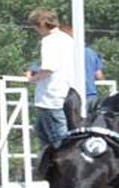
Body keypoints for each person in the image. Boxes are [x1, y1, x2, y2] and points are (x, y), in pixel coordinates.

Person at [27, 8, 78, 149]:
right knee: (43, 132)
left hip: (50, 97)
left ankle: (63, 168)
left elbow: (49, 68)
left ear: (42, 24)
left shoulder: (49, 41)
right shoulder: (68, 39)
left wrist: (33, 78)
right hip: (66, 92)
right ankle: (49, 167)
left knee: (58, 139)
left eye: (36, 26)